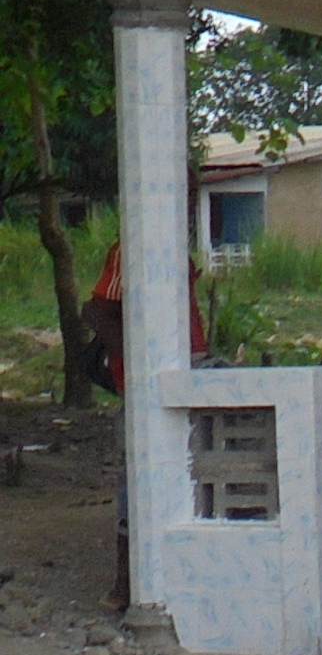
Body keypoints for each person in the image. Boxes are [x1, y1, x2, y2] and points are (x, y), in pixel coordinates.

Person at [82, 180, 212, 614]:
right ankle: (126, 583)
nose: (188, 203)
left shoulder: (177, 250)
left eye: (193, 195)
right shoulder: (131, 248)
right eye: (183, 193)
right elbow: (96, 310)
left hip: (188, 373)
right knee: (136, 480)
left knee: (188, 471)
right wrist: (138, 364)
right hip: (148, 382)